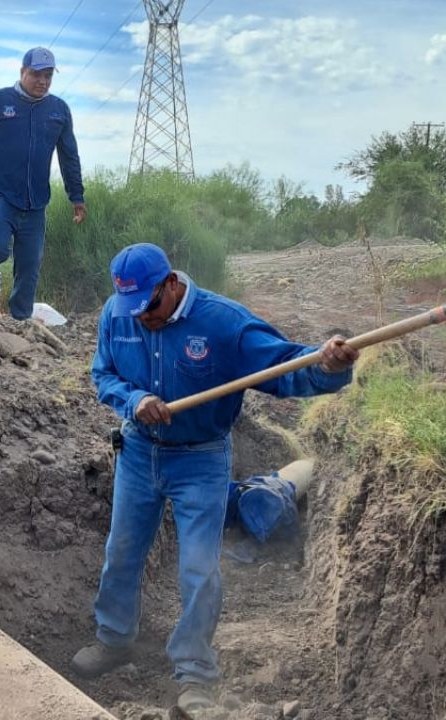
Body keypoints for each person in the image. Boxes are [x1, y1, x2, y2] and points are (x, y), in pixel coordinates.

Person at [73, 243, 359, 714]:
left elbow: (284, 367)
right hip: (140, 451)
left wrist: (325, 366)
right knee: (121, 551)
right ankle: (115, 639)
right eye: (132, 310)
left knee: (199, 569)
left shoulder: (222, 322)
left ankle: (194, 672)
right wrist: (134, 399)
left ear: (171, 284)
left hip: (201, 459)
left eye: (150, 308)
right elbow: (103, 374)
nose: (141, 319)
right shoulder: (118, 313)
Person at [0, 46, 86, 320]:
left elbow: (69, 156)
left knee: (30, 263)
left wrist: (77, 196)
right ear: (22, 72)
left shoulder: (59, 110)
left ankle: (20, 320)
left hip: (35, 200)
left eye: (48, 75)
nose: (42, 81)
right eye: (36, 74)